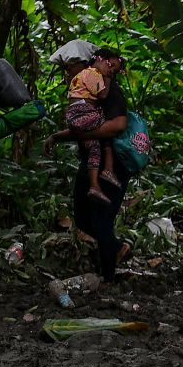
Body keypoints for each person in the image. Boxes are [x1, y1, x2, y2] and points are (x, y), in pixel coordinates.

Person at [43, 42, 133, 283]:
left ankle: (108, 278)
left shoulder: (108, 90)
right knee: (83, 218)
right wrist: (57, 137)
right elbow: (82, 125)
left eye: (70, 66)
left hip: (110, 165)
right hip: (91, 161)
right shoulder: (85, 88)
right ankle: (116, 249)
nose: (67, 72)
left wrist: (78, 134)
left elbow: (118, 125)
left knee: (101, 221)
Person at [65, 48, 122, 204]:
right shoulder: (92, 73)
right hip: (82, 112)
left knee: (94, 148)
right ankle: (108, 170)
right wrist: (108, 78)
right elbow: (103, 95)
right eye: (110, 66)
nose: (110, 71)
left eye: (113, 70)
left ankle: (94, 185)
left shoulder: (83, 74)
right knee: (110, 128)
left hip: (77, 116)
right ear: (100, 59)